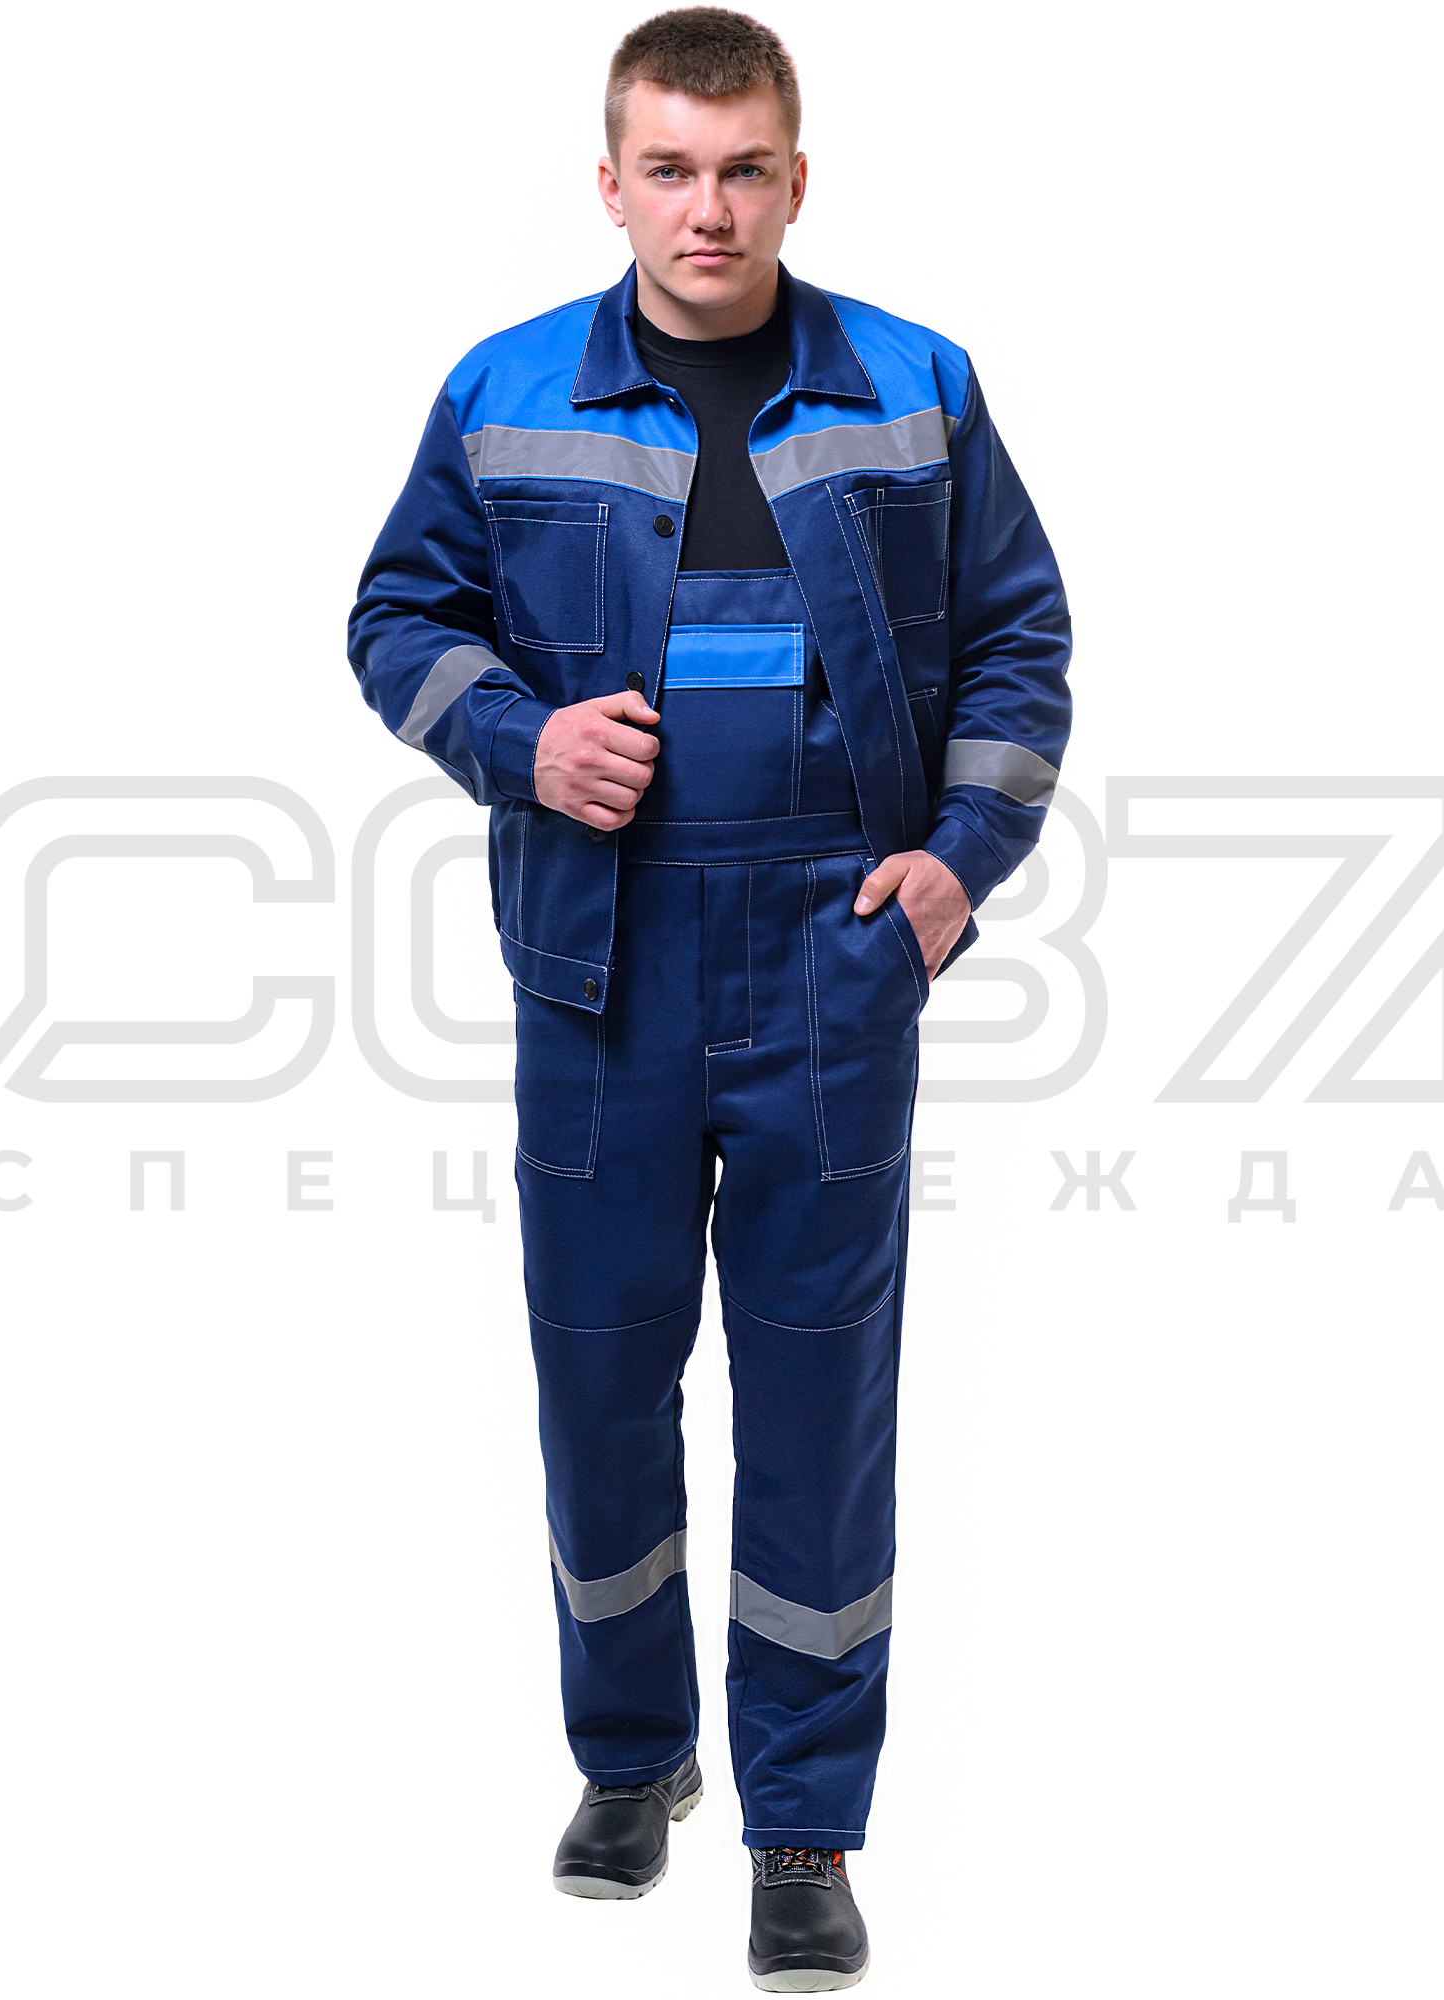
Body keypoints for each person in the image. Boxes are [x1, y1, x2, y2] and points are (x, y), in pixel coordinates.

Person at [347, 9, 1071, 1987]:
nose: (709, 208)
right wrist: (519, 739)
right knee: (600, 1378)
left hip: (836, 952)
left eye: (745, 168)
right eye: (669, 168)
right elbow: (394, 613)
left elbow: (1019, 635)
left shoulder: (918, 385)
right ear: (611, 183)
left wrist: (959, 862)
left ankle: (805, 1821)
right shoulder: (504, 389)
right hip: (599, 963)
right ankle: (629, 1754)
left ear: (797, 178)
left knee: (820, 1398)